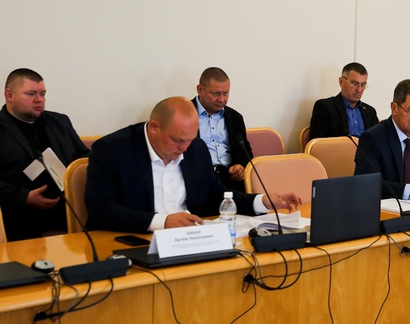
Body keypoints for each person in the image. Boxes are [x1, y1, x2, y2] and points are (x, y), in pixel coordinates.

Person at [85, 97, 301, 234]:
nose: (184, 148)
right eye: (178, 140)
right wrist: (163, 222)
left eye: (189, 140)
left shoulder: (195, 148)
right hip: (136, 241)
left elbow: (214, 194)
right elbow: (101, 210)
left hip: (191, 239)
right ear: (154, 128)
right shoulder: (112, 150)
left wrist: (261, 201)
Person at [0, 68, 90, 241]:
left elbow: (84, 157)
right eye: (31, 94)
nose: (39, 99)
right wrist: (23, 197)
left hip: (68, 209)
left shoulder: (60, 121)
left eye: (42, 94)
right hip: (17, 214)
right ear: (9, 95)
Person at [192, 67, 252, 191]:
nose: (222, 99)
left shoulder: (235, 117)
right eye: (215, 94)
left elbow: (245, 152)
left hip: (230, 180)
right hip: (198, 180)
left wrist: (241, 166)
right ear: (200, 90)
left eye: (226, 93)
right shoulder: (184, 114)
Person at [309, 62, 379, 140]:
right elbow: (318, 143)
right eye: (354, 83)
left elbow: (378, 141)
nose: (359, 90)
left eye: (363, 85)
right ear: (341, 82)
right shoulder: (325, 107)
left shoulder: (370, 112)